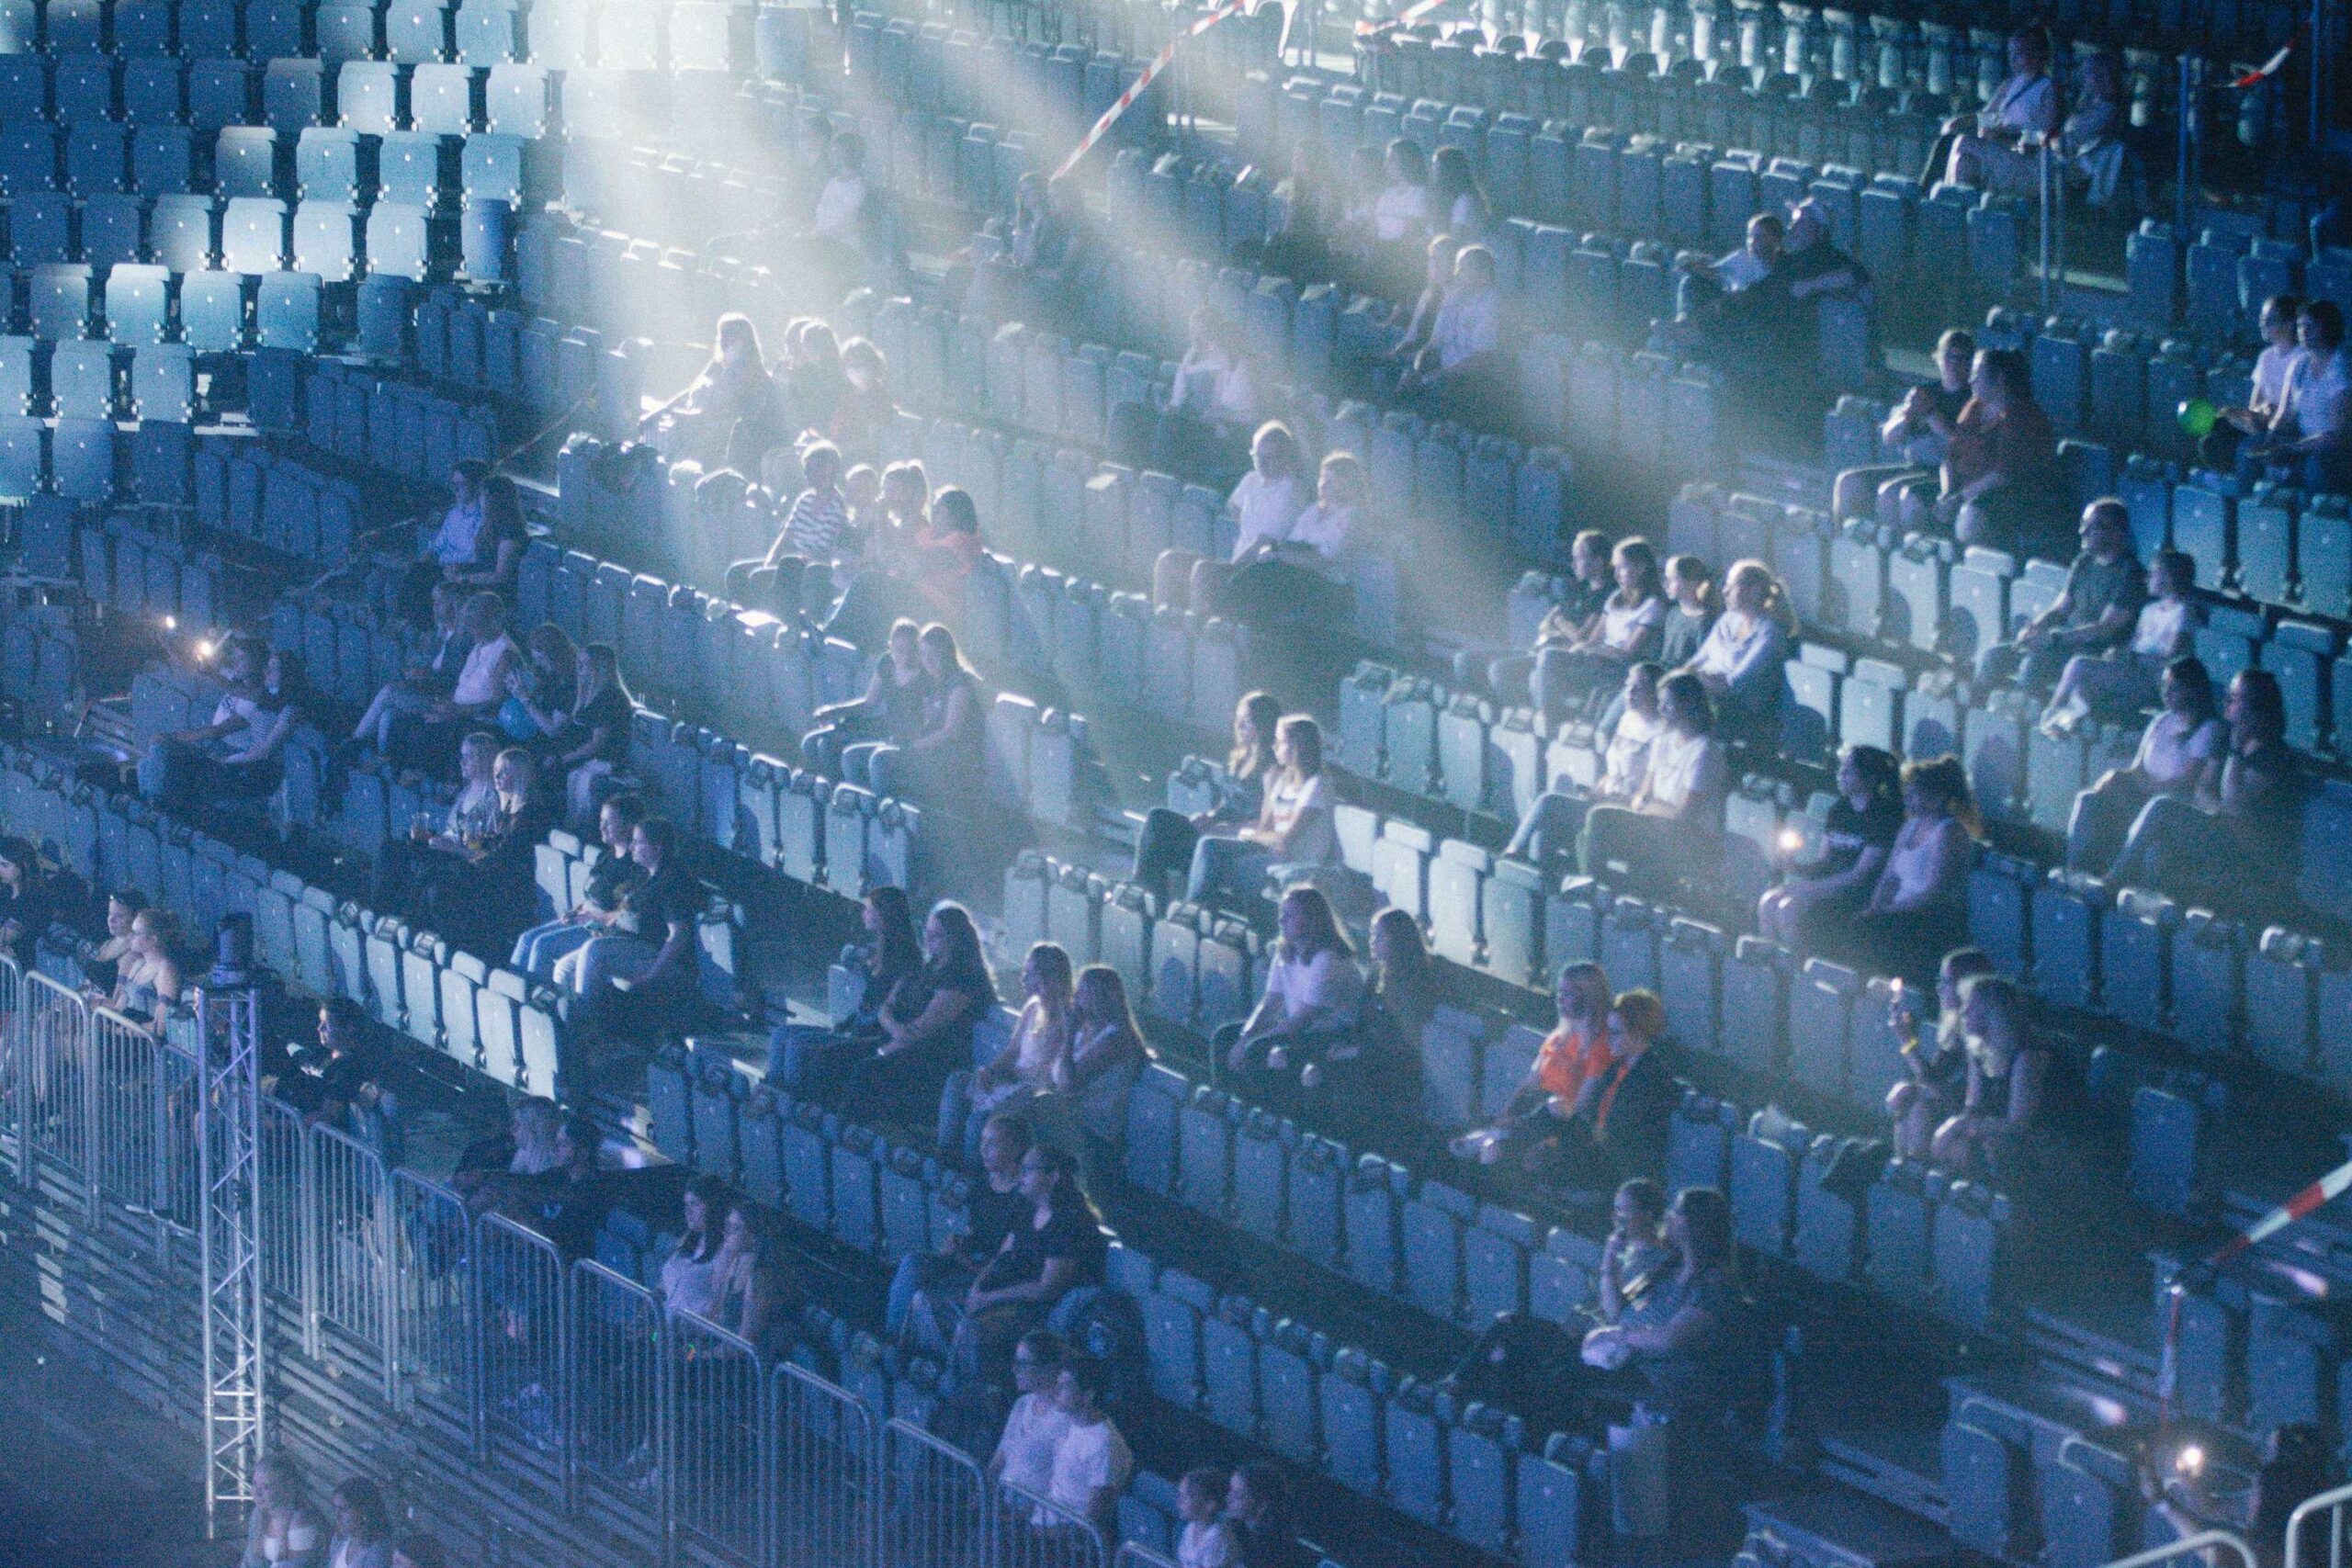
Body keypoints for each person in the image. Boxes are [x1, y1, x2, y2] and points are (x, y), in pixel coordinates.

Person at [2107, 669, 2301, 912]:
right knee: (2158, 853)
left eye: (2234, 698)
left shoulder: (2274, 757)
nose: (2226, 703)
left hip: (2250, 855)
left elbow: (2235, 807)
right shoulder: (2226, 740)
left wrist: (2237, 754)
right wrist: (2219, 812)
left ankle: (2111, 883)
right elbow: (2203, 791)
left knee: (2162, 808)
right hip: (2221, 833)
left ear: (2256, 707)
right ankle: (2145, 918)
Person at [927, 1142, 1108, 1386]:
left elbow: (1047, 1288)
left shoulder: (1071, 1222)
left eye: (1028, 1170)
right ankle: (928, 1374)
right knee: (925, 1303)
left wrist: (989, 1299)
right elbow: (1001, 1256)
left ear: (1052, 1176)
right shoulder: (1026, 1208)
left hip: (1037, 1310)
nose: (1020, 1176)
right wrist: (978, 1289)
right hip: (1003, 1295)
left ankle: (961, 1392)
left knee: (972, 1329)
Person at [2066, 657, 2227, 873]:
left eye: (2174, 688)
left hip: (2168, 804)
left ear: (2192, 690)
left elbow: (2186, 783)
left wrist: (2145, 789)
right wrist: (2117, 778)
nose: (2166, 693)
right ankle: (2074, 870)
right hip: (2140, 794)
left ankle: (2114, 876)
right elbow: (2138, 769)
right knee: (2089, 799)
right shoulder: (2161, 721)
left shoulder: (2209, 729)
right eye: (2164, 686)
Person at [841, 900, 996, 1122]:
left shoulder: (963, 979)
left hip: (931, 1058)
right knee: (835, 1056)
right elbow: (886, 1008)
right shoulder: (927, 969)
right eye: (927, 932)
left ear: (954, 940)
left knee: (865, 1070)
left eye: (936, 935)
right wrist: (894, 1030)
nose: (927, 939)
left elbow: (918, 1032)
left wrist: (889, 1042)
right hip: (899, 1041)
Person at [1449, 962, 1612, 1172]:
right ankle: (1494, 1134)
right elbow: (1530, 1083)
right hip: (1531, 1116)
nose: (1559, 999)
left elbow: (1582, 1106)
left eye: (1568, 994)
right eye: (1559, 992)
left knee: (1553, 1107)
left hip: (1562, 1124)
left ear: (1588, 998)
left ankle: (1490, 1137)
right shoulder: (1558, 1037)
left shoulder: (1600, 1047)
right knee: (1484, 1147)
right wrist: (1505, 1116)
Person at [1579, 671, 1728, 895]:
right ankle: (1597, 891)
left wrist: (1646, 806)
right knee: (1586, 831)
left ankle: (1596, 891)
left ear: (1687, 706)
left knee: (1600, 820)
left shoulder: (1704, 751)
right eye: (1661, 703)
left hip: (1688, 836)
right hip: (1655, 823)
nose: (1661, 710)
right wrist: (1645, 804)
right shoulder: (1663, 742)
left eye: (1668, 705)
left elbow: (1683, 813)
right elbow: (1643, 794)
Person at [1976, 500, 2145, 693]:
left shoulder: (2130, 573)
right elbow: (2060, 608)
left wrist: (2053, 639)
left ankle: (2024, 714)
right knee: (1993, 656)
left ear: (2116, 533)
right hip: (2061, 642)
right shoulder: (2084, 561)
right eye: (2084, 524)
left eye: (2093, 527)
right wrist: (2035, 628)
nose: (2083, 532)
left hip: (2090, 652)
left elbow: (2106, 628)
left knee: (2033, 665)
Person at [770, 885, 924, 1095]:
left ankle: (796, 1102)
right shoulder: (878, 951)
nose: (864, 914)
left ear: (883, 915)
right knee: (781, 1034)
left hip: (872, 1035)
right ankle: (772, 1094)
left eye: (869, 910)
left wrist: (854, 1028)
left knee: (798, 1046)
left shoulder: (904, 961)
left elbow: (885, 1009)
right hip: (858, 1025)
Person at [1504, 662, 1662, 868]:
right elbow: (1614, 769)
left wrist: (1620, 796)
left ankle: (1515, 855)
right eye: (1628, 685)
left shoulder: (1662, 733)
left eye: (1638, 687)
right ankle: (1528, 868)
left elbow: (1651, 788)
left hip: (1627, 811)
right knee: (1550, 813)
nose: (1630, 692)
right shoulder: (1627, 719)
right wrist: (1599, 788)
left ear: (1654, 692)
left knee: (1548, 803)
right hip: (1606, 798)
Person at [893, 1112, 1033, 1343]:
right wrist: (957, 1243)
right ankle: (892, 1338)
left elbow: (1005, 1261)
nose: (984, 1150)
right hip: (967, 1260)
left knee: (925, 1298)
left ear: (1017, 1148)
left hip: (991, 1276)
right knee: (913, 1264)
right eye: (982, 1142)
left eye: (993, 1144)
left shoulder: (1025, 1196)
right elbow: (974, 1230)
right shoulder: (981, 1185)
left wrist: (961, 1258)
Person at [1132, 691, 1283, 901]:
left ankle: (1195, 909)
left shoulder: (1273, 769)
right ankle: (1147, 891)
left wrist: (1225, 829)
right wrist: (1211, 816)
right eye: (1238, 719)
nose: (1238, 726)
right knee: (1159, 819)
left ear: (1262, 726)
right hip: (1220, 829)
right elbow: (1229, 803)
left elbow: (1267, 825)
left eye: (1246, 721)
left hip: (1244, 839)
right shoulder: (1241, 758)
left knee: (1207, 845)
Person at [1841, 756, 1979, 981]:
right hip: (1895, 910)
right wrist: (1876, 906)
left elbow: (1934, 893)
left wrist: (1886, 912)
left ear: (1938, 796)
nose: (1907, 798)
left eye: (1915, 794)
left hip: (1928, 917)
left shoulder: (1948, 832)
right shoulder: (1910, 826)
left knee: (1868, 933)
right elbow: (1889, 876)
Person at [553, 815, 698, 1030]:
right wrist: (596, 920)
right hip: (628, 946)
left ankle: (591, 1033)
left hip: (656, 955)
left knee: (594, 951)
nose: (631, 848)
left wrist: (652, 975)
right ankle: (566, 1030)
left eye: (638, 842)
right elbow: (623, 916)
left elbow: (678, 936)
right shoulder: (643, 876)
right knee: (564, 968)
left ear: (657, 848)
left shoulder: (670, 881)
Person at [1218, 886, 1365, 1089]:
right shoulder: (1286, 953)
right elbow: (1269, 1003)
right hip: (1303, 1027)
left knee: (1258, 1049)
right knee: (1226, 1036)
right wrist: (1245, 1035)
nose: (1281, 920)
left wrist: (1252, 1042)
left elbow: (1303, 1019)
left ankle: (1261, 1112)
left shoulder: (1328, 960)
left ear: (1311, 920)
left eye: (1289, 915)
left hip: (1334, 1034)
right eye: (1281, 914)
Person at [939, 942, 1074, 1161]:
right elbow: (1012, 1052)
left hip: (1032, 1093)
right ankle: (946, 1158)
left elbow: (1046, 1074)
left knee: (979, 1121)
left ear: (1047, 979)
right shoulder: (1032, 1007)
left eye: (1029, 974)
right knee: (958, 1082)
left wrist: (1006, 1082)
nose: (1023, 978)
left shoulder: (1066, 1017)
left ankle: (972, 1171)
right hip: (1011, 1080)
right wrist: (990, 1071)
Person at [1757, 745, 1903, 947]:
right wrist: (1795, 866)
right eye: (1841, 768)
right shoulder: (1839, 810)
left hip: (1855, 893)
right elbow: (1825, 861)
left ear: (1868, 776)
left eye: (1848, 770)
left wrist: (1811, 888)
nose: (1840, 774)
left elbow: (1860, 875)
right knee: (1768, 901)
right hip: (1826, 885)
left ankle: (1797, 966)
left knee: (1788, 908)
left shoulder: (1882, 816)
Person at [2041, 547, 2199, 732]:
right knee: (2083, 690)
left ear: (2169, 578)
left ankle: (2050, 714)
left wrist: (2131, 657)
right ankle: (2062, 726)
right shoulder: (2149, 610)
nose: (2146, 578)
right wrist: (2118, 654)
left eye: (2153, 574)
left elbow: (2173, 660)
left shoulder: (2184, 613)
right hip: (2134, 672)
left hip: (2154, 681)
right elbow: (2134, 645)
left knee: (2079, 665)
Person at [1186, 715, 1338, 908]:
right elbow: (1265, 827)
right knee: (1208, 845)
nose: (1274, 746)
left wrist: (1247, 834)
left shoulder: (1318, 785)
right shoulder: (1282, 780)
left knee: (1234, 867)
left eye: (1280, 741)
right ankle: (1196, 909)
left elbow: (1285, 841)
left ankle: (1203, 910)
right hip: (1271, 850)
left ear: (1297, 747)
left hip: (1297, 862)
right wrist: (1268, 791)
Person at [139, 636, 304, 812]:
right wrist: (170, 645)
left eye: (242, 659)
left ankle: (154, 810)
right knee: (145, 763)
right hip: (224, 752)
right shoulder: (258, 693)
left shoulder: (266, 700)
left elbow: (225, 733)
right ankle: (153, 808)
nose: (266, 673)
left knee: (161, 750)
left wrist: (173, 738)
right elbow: (200, 671)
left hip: (238, 759)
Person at [2143, 1422, 2335, 1568]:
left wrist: (2165, 1506)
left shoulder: (2289, 1547)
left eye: (2258, 1485)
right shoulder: (2274, 1518)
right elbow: (2211, 1508)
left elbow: (2217, 1552)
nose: (2251, 1494)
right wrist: (2187, 1480)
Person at [1928, 348, 2062, 556]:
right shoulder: (1974, 408)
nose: (1971, 380)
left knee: (1969, 517)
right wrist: (1947, 492)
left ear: (1999, 378)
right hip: (1964, 491)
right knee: (1904, 498)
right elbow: (1950, 457)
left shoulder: (2022, 417)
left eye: (1977, 374)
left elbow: (2003, 475)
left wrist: (1958, 498)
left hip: (2015, 498)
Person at [1832, 329, 1974, 523]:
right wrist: (1909, 415)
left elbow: (1960, 446)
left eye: (1963, 358)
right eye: (1949, 356)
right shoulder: (1924, 392)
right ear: (1938, 357)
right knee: (1848, 482)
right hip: (1916, 466)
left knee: (1891, 493)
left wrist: (1932, 414)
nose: (1955, 363)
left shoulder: (1974, 400)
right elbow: (1889, 437)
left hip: (1948, 473)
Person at [844, 622, 985, 809]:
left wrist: (911, 747)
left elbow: (951, 732)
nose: (928, 661)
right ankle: (865, 813)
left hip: (949, 760)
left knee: (880, 760)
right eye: (923, 654)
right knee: (852, 756)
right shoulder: (932, 680)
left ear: (947, 654)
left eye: (934, 655)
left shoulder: (959, 683)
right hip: (925, 750)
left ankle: (889, 817)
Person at [512, 793, 646, 979]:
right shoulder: (605, 857)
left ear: (628, 826)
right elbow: (590, 896)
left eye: (609, 822)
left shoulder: (636, 865)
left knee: (542, 945)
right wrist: (576, 911)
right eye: (601, 821)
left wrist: (594, 917)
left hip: (604, 931)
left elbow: (628, 914)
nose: (602, 827)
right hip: (585, 920)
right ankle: (518, 997)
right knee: (526, 940)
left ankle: (538, 1000)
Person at [1929, 974, 2049, 1182]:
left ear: (1994, 1012)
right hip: (1992, 1132)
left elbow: (2017, 1124)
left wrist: (1959, 1126)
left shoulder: (2028, 1056)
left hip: (2037, 1145)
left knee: (1984, 1140)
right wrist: (1958, 1125)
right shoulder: (1978, 1051)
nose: (1964, 1011)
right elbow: (1972, 1108)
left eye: (1972, 1005)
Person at [371, 730, 503, 914]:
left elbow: (486, 854)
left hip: (464, 862)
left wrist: (450, 847)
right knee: (390, 849)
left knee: (428, 874)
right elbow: (451, 831)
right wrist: (433, 837)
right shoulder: (465, 792)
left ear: (483, 761)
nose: (462, 762)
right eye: (461, 756)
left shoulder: (493, 802)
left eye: (468, 757)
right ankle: (378, 912)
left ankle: (404, 919)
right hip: (446, 850)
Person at [389, 592, 519, 773]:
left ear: (493, 622)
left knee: (419, 733)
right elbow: (462, 687)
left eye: (476, 627)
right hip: (454, 709)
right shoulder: (478, 644)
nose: (471, 632)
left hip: (473, 720)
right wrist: (446, 705)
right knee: (398, 721)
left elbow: (497, 704)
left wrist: (456, 712)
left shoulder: (505, 654)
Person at [1886, 948, 1995, 1162]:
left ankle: (1914, 1176)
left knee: (1919, 1108)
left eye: (1946, 982)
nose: (1939, 988)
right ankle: (1905, 1170)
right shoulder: (1956, 1031)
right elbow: (1930, 1077)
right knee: (1910, 1098)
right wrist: (1906, 1038)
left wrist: (1933, 1093)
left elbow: (1976, 1103)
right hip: (1953, 1111)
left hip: (1982, 1120)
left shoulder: (1986, 1035)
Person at [643, 312, 781, 472]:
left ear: (741, 340)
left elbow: (720, 412)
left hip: (736, 439)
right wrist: (661, 411)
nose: (722, 342)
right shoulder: (722, 365)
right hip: (709, 432)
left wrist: (681, 417)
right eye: (721, 336)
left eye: (727, 336)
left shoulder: (749, 370)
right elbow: (689, 393)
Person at [274, 998, 401, 1164]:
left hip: (323, 1155)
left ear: (349, 1027)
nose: (319, 1028)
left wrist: (276, 1125)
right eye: (320, 1022)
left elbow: (329, 1115)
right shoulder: (324, 1055)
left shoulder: (348, 1068)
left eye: (326, 1024)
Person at [1678, 558, 1792, 740]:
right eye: (1725, 585)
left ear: (1754, 591)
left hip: (1738, 713)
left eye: (1732, 586)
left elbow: (1732, 686)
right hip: (1706, 697)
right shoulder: (1728, 620)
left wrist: (1693, 678)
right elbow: (1697, 661)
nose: (1724, 591)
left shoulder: (1769, 634)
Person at [355, 581, 473, 754]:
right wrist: (423, 673)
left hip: (443, 702)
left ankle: (354, 743)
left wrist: (423, 679)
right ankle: (378, 759)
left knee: (389, 692)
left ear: (454, 606)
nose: (434, 607)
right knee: (388, 715)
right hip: (429, 690)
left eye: (439, 602)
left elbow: (450, 682)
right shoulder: (442, 632)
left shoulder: (462, 639)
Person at [1937, 28, 2061, 193]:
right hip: (1999, 153)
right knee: (1963, 159)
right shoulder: (2011, 84)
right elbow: (1991, 117)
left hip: (2028, 163)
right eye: (2011, 53)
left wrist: (2008, 135)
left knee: (1963, 143)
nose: (2013, 59)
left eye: (2019, 53)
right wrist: (1961, 121)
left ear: (2037, 53)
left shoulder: (2049, 89)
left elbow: (2045, 134)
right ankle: (1951, 202)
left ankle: (1948, 195)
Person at [803, 618, 928, 777]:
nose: (905, 657)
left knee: (836, 749)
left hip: (901, 736)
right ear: (890, 647)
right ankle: (825, 787)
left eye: (911, 650)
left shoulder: (925, 675)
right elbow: (869, 703)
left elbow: (926, 719)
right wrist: (834, 711)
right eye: (900, 651)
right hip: (883, 725)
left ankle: (846, 793)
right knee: (813, 742)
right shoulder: (886, 663)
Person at [732, 442, 850, 610]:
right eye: (806, 469)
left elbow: (822, 551)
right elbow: (785, 535)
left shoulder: (839, 506)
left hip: (812, 568)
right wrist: (770, 561)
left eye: (811, 469)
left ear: (828, 470)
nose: (806, 474)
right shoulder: (805, 499)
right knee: (737, 573)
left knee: (760, 578)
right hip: (790, 560)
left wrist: (784, 567)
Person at [2249, 299, 2350, 493]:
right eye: (2301, 325)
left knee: (2316, 465)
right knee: (2252, 447)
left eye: (2309, 326)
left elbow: (2338, 435)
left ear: (2326, 329)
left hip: (2331, 451)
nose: (2302, 331)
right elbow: (2285, 414)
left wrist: (2294, 448)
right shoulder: (2300, 365)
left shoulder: (2341, 370)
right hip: (2300, 441)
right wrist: (2271, 438)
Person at [1402, 243, 1506, 423]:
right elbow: (1433, 344)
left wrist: (1439, 375)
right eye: (1458, 268)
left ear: (1484, 276)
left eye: (1464, 270)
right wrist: (1415, 369)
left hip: (1469, 381)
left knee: (1436, 390)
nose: (1457, 274)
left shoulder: (1491, 304)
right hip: (1442, 371)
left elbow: (1483, 359)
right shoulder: (1454, 297)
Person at [1057, 966, 1148, 1168]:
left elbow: (1068, 1085)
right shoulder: (1085, 1029)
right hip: (1072, 1116)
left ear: (1100, 998)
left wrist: (1069, 1035)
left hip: (1095, 1128)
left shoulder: (1115, 1039)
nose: (1076, 997)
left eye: (1083, 992)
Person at [2207, 295, 2305, 471]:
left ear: (2289, 324)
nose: (2262, 324)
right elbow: (2255, 406)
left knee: (2248, 448)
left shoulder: (2301, 358)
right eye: (2262, 319)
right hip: (2262, 422)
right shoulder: (2266, 357)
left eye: (2269, 320)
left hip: (2286, 429)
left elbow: (2293, 413)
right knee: (2217, 432)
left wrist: (2270, 413)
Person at [544, 642, 635, 825]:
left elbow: (596, 744)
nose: (579, 669)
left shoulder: (610, 698)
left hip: (601, 760)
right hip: (579, 756)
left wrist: (564, 759)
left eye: (584, 664)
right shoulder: (589, 694)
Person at [1040, 1358, 1131, 1536]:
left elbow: (1093, 1518)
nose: (1055, 1391)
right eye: (1057, 1384)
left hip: (1064, 1539)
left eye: (1064, 1387)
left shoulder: (1103, 1443)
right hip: (1044, 1520)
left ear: (1087, 1396)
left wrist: (1048, 1533)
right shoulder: (1068, 1422)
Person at [986, 1328, 1071, 1500]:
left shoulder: (1066, 1419)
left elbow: (1061, 1483)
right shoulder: (1022, 1404)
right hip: (1003, 1507)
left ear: (1048, 1369)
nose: (1014, 1370)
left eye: (1023, 1364)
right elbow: (1000, 1456)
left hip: (1035, 1517)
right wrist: (985, 1490)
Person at [1676, 212, 1783, 326]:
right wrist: (1691, 265)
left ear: (1775, 239)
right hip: (1733, 313)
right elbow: (1712, 271)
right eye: (1749, 237)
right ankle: (1684, 324)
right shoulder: (1741, 257)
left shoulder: (1785, 265)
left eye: (1759, 237)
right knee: (1690, 281)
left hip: (1762, 316)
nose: (1752, 242)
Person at [1598, 1178, 1678, 1329]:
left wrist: (1609, 1259)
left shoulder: (1659, 1262)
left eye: (1623, 1210)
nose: (1615, 1217)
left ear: (1648, 1214)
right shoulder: (1626, 1258)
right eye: (1616, 1209)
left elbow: (1614, 1311)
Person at [660, 1174, 735, 1321]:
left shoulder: (725, 1251)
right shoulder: (688, 1238)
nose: (688, 1212)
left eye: (694, 1204)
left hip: (691, 1337)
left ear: (712, 1206)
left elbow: (717, 1305)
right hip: (665, 1329)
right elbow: (663, 1283)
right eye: (686, 1205)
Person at [95, 905, 182, 1031]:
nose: (130, 937)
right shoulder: (138, 964)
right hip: (126, 1032)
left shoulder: (166, 971)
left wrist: (121, 1032)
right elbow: (119, 1008)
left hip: (142, 1039)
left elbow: (160, 1027)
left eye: (136, 933)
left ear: (152, 940)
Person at [2059, 52, 2130, 208]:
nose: (2083, 77)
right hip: (2071, 156)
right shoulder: (2085, 104)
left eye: (2088, 72)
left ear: (2102, 76)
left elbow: (2078, 136)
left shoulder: (2107, 109)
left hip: (2086, 164)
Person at [238, 1455, 326, 1568]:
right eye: (255, 1483)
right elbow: (249, 1561)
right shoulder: (258, 1513)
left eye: (266, 1487)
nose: (256, 1492)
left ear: (285, 1487)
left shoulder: (301, 1521)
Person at [499, 623, 579, 746]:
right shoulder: (549, 678)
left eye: (541, 659)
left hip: (562, 749)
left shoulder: (571, 685)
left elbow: (552, 729)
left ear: (555, 655)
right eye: (535, 660)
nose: (538, 664)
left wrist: (525, 698)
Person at [1227, 1464, 1309, 1568]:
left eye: (1237, 1495)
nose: (1228, 1498)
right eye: (1230, 1490)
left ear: (1262, 1504)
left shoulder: (1274, 1549)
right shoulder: (1233, 1529)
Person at [1656, 556, 1719, 671]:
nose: (1665, 584)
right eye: (1665, 578)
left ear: (1693, 583)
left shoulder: (1705, 621)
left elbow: (1702, 664)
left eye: (1672, 579)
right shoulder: (1673, 613)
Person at [0, 835, 51, 967]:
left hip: (24, 969)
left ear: (24, 866)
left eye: (5, 865)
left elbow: (4, 937)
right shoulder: (5, 892)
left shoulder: (32, 900)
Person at [1175, 1465, 1240, 1568]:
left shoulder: (1218, 1537)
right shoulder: (1190, 1528)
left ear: (1209, 1505)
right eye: (1180, 1495)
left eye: (1187, 1497)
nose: (1179, 1501)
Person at [325, 1477, 395, 1568]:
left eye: (344, 1509)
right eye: (335, 1508)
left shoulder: (378, 1551)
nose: (337, 1515)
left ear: (364, 1511)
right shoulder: (339, 1540)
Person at [1429, 144, 1491, 242]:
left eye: (1438, 168)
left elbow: (1454, 240)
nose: (1434, 173)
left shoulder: (1466, 202)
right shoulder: (1446, 198)